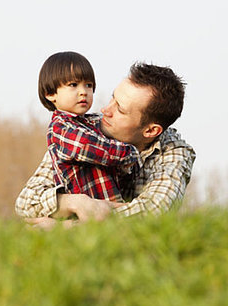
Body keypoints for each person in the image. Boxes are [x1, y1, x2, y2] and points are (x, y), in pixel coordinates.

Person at [15, 61, 196, 227]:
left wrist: (65, 227)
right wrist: (76, 203)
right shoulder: (82, 133)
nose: (105, 110)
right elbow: (26, 202)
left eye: (120, 109)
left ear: (150, 131)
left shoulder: (174, 152)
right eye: (112, 99)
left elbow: (153, 212)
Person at [38, 51, 140, 202]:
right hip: (85, 210)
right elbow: (86, 146)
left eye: (88, 85)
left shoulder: (92, 122)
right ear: (50, 93)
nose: (83, 92)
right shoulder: (60, 128)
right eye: (73, 85)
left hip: (111, 202)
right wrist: (128, 152)